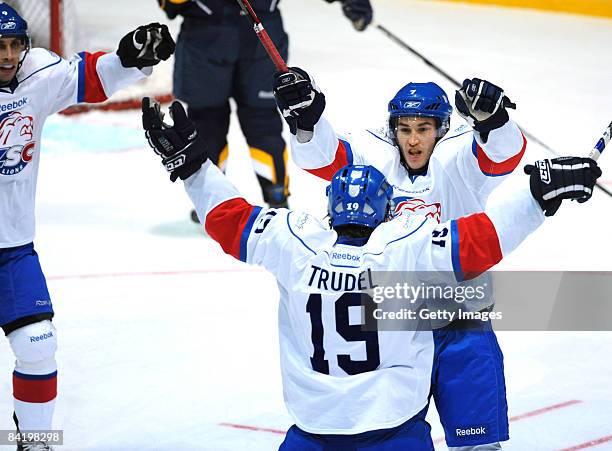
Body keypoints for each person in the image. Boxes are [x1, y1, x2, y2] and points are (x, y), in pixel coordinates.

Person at [141, 97, 601, 450]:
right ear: (383, 210)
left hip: (312, 432)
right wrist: (540, 193)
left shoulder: (294, 242)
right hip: (393, 432)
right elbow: (484, 240)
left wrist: (194, 167)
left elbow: (230, 220)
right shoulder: (405, 246)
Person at [271, 67, 537, 450]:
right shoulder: (375, 154)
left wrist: (494, 119)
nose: (413, 140)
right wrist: (307, 119)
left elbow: (502, 154)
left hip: (459, 323)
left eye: (423, 129)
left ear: (442, 128)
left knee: (477, 444)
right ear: (393, 128)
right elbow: (323, 157)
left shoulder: (459, 157)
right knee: (384, 434)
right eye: (405, 129)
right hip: (391, 330)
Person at [0, 5, 175, 450]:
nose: (7, 56)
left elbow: (90, 77)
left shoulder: (35, 75)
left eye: (14, 45)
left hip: (13, 249)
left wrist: (133, 57)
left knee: (38, 344)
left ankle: (35, 440)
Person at [155, 0, 373, 221]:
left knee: (249, 121)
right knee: (217, 122)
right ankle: (227, 198)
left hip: (241, 37)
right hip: (221, 37)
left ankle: (260, 197)